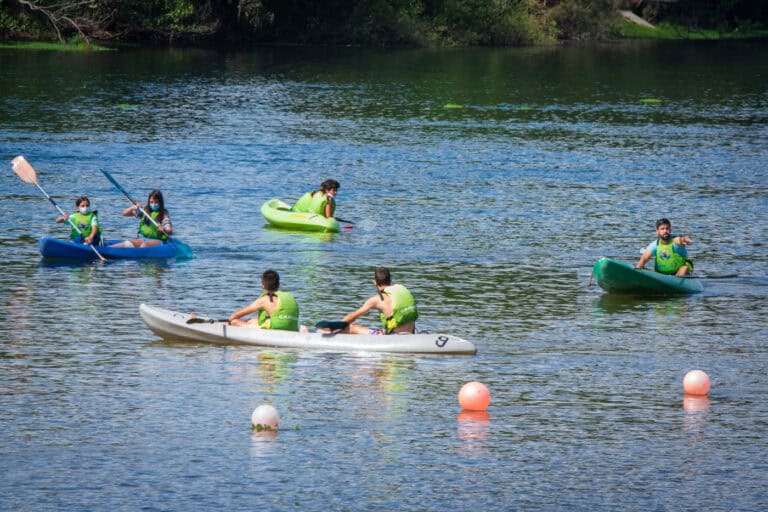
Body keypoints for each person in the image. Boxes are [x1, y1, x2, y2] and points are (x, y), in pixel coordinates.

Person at [336, 267, 419, 335]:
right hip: (411, 334)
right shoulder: (402, 289)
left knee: (351, 328)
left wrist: (334, 327)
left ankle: (331, 339)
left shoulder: (376, 299)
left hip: (394, 337)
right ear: (390, 279)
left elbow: (352, 317)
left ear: (374, 282)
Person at [229, 270, 300, 331]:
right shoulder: (289, 296)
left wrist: (230, 321)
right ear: (278, 285)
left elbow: (236, 315)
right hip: (293, 328)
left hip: (275, 329)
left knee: (234, 322)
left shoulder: (263, 300)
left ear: (262, 285)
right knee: (253, 321)